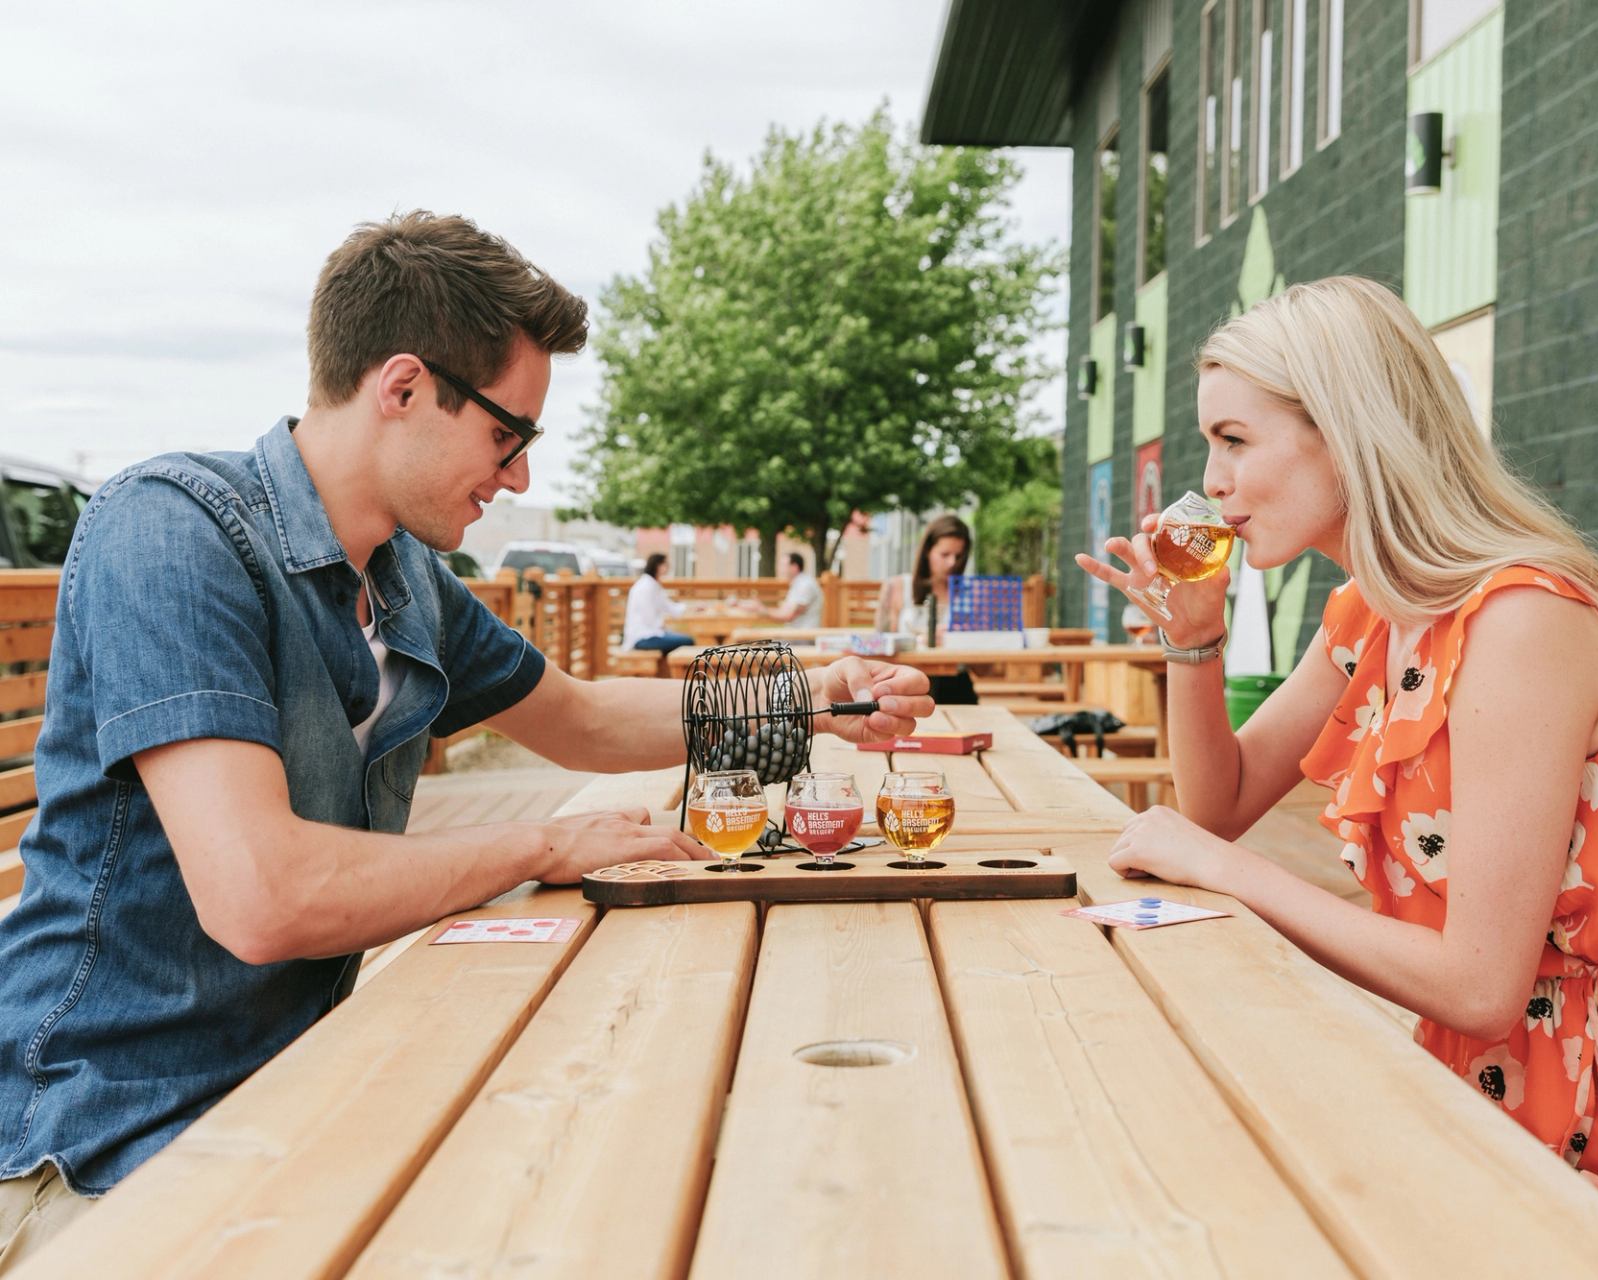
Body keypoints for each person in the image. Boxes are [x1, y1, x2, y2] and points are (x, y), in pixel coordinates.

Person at [0, 211, 932, 1265]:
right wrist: (537, 847)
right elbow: (265, 897)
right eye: (507, 434)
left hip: (286, 1093)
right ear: (401, 389)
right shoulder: (172, 529)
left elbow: (579, 717)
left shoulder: (405, 579)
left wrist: (818, 692)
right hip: (92, 1146)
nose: (521, 478)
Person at [1077, 277, 1598, 1278]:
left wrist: (1220, 870)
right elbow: (1220, 802)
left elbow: (1477, 980)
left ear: (1345, 428)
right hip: (1513, 1065)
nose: (1209, 480)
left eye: (1235, 440)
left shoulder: (1519, 621)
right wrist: (1196, 643)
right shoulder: (1377, 613)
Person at [877, 515, 976, 703]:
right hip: (906, 684)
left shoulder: (968, 594)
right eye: (945, 555)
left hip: (955, 685)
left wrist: (958, 639)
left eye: (959, 556)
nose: (952, 563)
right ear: (927, 551)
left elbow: (987, 668)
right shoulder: (898, 587)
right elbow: (880, 648)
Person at [623, 553, 695, 653]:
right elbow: (649, 617)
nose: (668, 567)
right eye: (665, 564)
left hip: (650, 633)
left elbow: (670, 607)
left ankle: (667, 668)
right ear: (658, 566)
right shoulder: (646, 587)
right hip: (643, 637)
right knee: (688, 641)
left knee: (683, 639)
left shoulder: (652, 584)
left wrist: (691, 607)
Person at [740, 551, 823, 628]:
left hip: (802, 638)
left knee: (746, 636)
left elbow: (788, 616)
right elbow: (783, 611)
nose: (780, 569)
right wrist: (758, 607)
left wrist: (760, 609)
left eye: (783, 565)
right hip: (794, 636)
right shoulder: (799, 584)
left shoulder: (805, 585)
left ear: (794, 567)